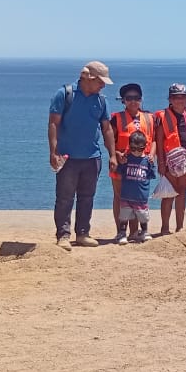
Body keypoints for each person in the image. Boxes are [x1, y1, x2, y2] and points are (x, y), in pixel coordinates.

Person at [48, 61, 116, 250]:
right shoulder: (65, 94)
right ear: (88, 78)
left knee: (87, 197)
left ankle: (83, 233)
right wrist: (53, 152)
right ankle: (63, 235)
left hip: (92, 157)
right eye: (100, 82)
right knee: (64, 197)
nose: (102, 86)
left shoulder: (101, 101)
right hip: (67, 157)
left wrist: (112, 155)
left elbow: (107, 129)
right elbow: (53, 123)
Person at [108, 82, 156, 244]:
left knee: (137, 197)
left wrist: (152, 155)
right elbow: (109, 140)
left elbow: (154, 139)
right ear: (123, 101)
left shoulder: (149, 117)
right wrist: (116, 154)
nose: (133, 101)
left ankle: (135, 232)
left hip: (141, 165)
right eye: (129, 98)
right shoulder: (117, 118)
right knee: (120, 197)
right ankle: (120, 232)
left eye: (137, 98)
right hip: (122, 164)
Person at [154, 83, 186, 235]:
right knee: (168, 195)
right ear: (170, 99)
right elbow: (159, 140)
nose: (179, 100)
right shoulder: (163, 116)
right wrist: (161, 163)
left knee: (182, 193)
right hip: (169, 163)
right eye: (176, 97)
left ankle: (180, 227)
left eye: (182, 97)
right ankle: (165, 228)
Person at [116, 130, 157, 243]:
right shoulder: (127, 158)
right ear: (129, 146)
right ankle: (122, 233)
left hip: (141, 197)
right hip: (126, 195)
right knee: (124, 216)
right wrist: (122, 162)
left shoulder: (147, 161)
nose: (136, 152)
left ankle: (144, 232)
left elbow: (153, 175)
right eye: (133, 149)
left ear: (145, 147)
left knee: (143, 216)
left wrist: (152, 162)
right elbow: (120, 171)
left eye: (140, 149)